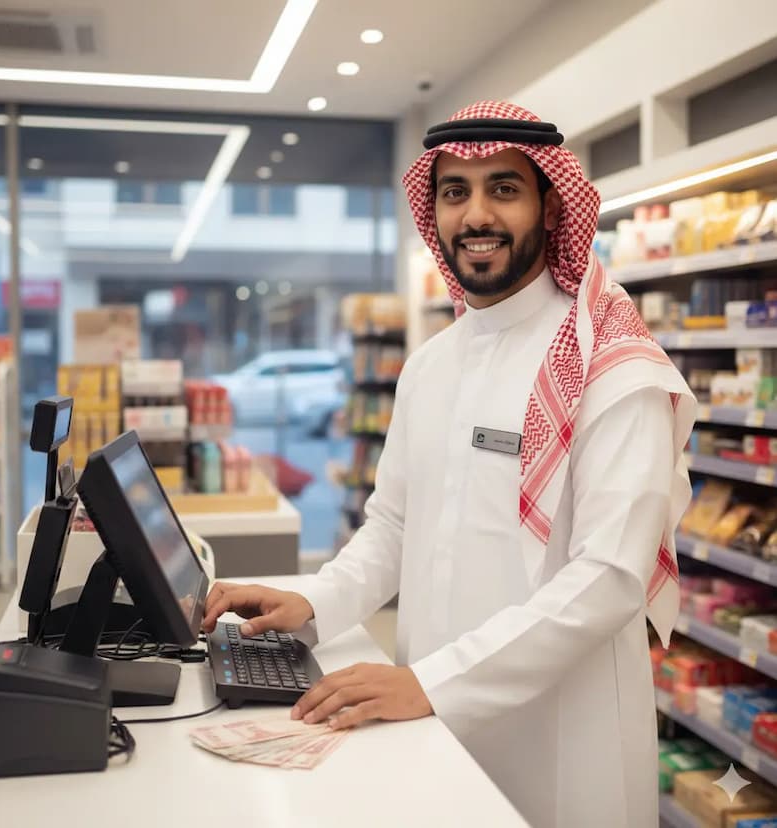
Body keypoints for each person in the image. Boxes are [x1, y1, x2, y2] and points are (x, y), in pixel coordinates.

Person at [202, 101, 696, 827]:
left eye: (504, 188)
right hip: (422, 715)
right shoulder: (430, 365)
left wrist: (434, 683)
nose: (476, 215)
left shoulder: (613, 368)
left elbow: (610, 578)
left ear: (551, 207)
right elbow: (394, 525)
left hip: (560, 733)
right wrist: (315, 601)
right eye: (455, 192)